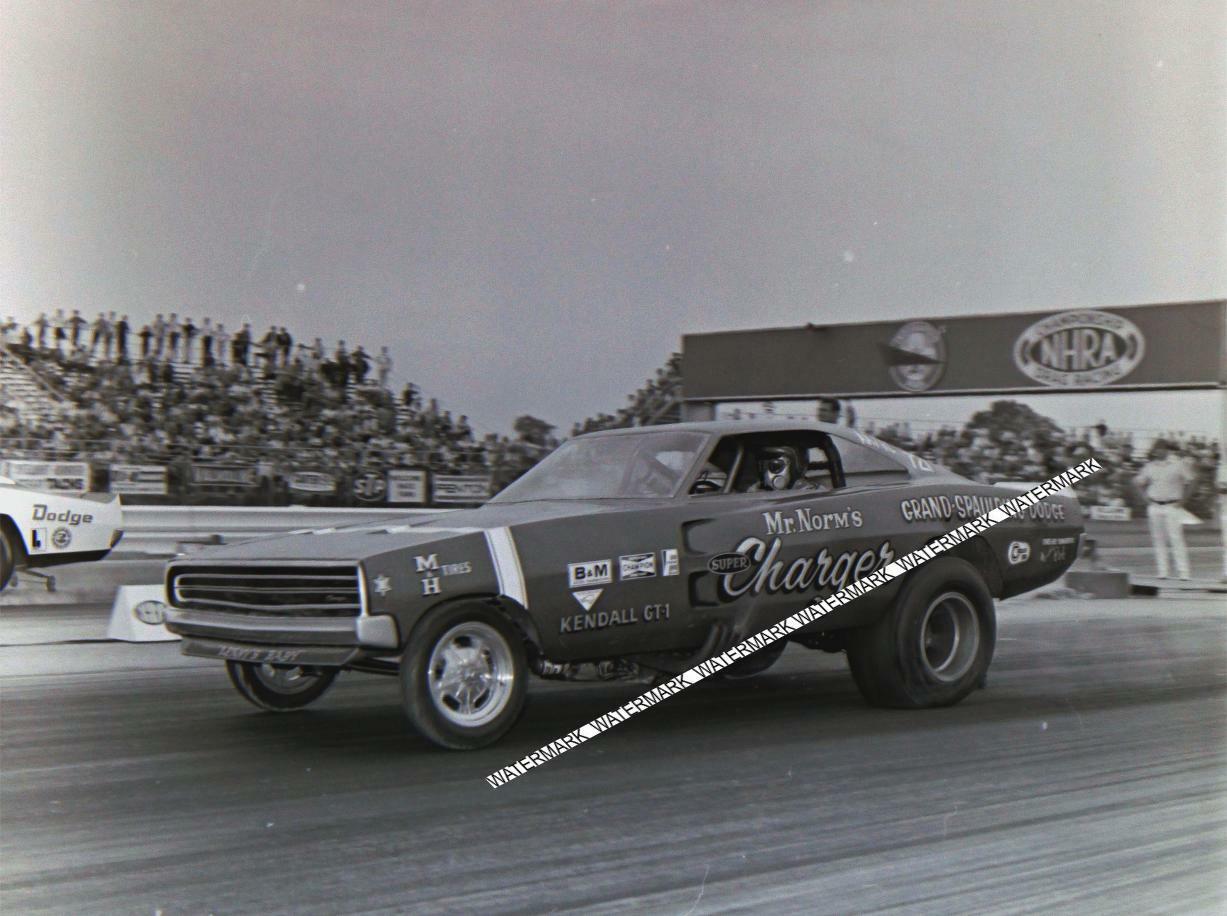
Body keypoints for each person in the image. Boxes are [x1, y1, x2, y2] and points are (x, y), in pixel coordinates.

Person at [1134, 439, 1195, 580]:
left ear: (1167, 450)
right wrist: (1144, 498)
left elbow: (1192, 481)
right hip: (1155, 505)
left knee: (1176, 539)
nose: (1158, 451)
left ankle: (1184, 572)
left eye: (1161, 448)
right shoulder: (1149, 466)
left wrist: (1183, 501)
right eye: (1156, 449)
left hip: (1172, 505)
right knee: (1158, 539)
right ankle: (1163, 572)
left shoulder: (1178, 465)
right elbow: (1137, 482)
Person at [748, 446, 816, 492]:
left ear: (792, 468)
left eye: (775, 466)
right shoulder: (756, 491)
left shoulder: (807, 493)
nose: (767, 474)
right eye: (762, 466)